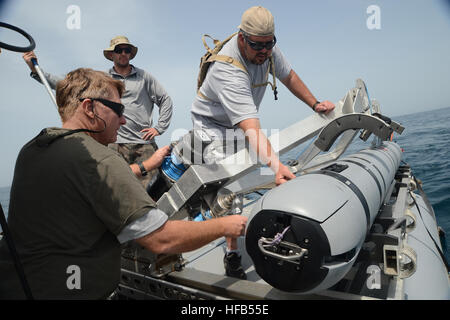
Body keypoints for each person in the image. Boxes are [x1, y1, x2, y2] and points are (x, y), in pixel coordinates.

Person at [0, 68, 247, 299]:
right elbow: (161, 240)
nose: (124, 121)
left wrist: (146, 166)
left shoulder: (33, 149)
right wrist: (225, 225)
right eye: (118, 110)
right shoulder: (101, 159)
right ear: (89, 108)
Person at [190, 6, 335, 279]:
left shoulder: (267, 47)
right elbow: (252, 128)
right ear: (242, 38)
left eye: (269, 45)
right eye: (258, 46)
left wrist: (315, 104)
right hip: (212, 130)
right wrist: (275, 165)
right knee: (231, 189)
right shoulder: (226, 70)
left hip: (240, 127)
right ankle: (231, 253)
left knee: (250, 179)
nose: (265, 52)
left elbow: (289, 76)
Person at [22, 35, 174, 190]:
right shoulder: (102, 79)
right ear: (111, 54)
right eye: (118, 50)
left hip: (143, 144)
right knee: (115, 189)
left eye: (126, 50)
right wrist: (36, 70)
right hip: (112, 145)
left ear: (130, 54)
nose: (123, 53)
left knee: (154, 189)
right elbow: (65, 85)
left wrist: (159, 128)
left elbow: (165, 99)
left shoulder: (145, 78)